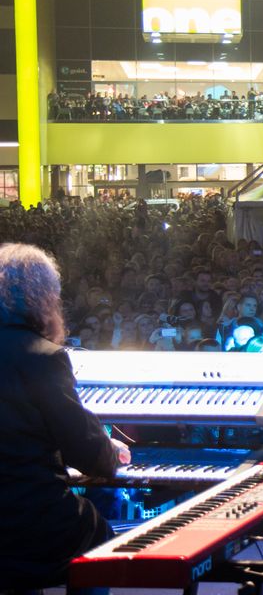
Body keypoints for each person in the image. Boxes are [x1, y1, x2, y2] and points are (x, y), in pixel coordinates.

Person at [0, 243, 131, 591]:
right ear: (43, 298)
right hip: (27, 516)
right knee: (98, 534)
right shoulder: (43, 357)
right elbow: (85, 452)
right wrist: (110, 449)